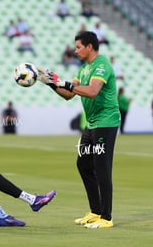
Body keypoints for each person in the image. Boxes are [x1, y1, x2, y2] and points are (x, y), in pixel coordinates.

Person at [37, 31, 120, 228]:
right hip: (91, 124)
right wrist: (49, 82)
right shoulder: (84, 69)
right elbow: (68, 94)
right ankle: (95, 211)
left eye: (78, 47)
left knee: (102, 168)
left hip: (106, 122)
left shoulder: (102, 65)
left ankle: (106, 217)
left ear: (89, 46)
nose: (75, 51)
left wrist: (63, 82)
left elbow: (92, 92)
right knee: (83, 164)